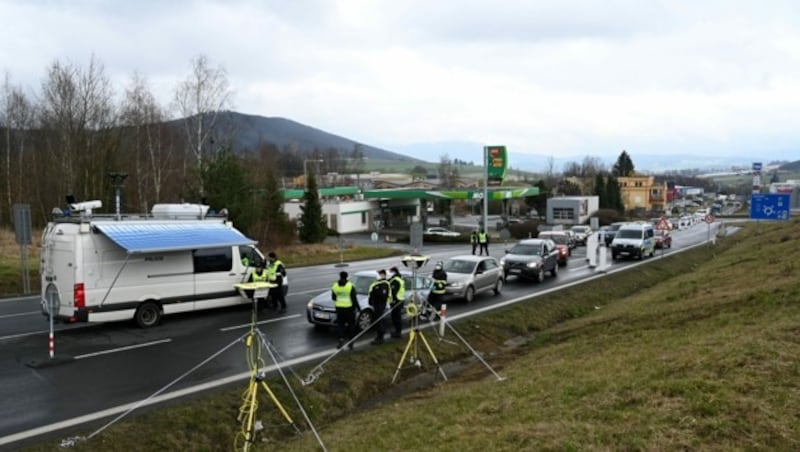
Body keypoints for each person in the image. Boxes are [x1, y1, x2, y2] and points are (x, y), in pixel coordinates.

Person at [331, 271, 359, 349]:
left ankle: (340, 340)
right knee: (351, 325)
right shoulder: (350, 286)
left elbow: (333, 297)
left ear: (339, 276)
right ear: (347, 276)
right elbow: (354, 299)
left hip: (339, 308)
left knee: (340, 325)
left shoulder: (335, 285)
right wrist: (358, 308)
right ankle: (351, 342)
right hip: (349, 308)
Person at [368, 269, 391, 345]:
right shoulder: (378, 283)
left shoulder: (384, 284)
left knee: (379, 320)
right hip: (376, 304)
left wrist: (375, 292)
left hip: (380, 305)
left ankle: (380, 338)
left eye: (379, 274)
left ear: (383, 275)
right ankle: (379, 336)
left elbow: (383, 295)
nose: (378, 276)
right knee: (378, 321)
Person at [388, 266, 405, 338]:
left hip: (396, 301)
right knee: (396, 316)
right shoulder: (399, 279)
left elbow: (393, 291)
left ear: (393, 272)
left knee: (396, 317)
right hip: (400, 300)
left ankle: (398, 332)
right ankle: (397, 331)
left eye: (390, 272)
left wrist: (393, 300)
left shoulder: (395, 280)